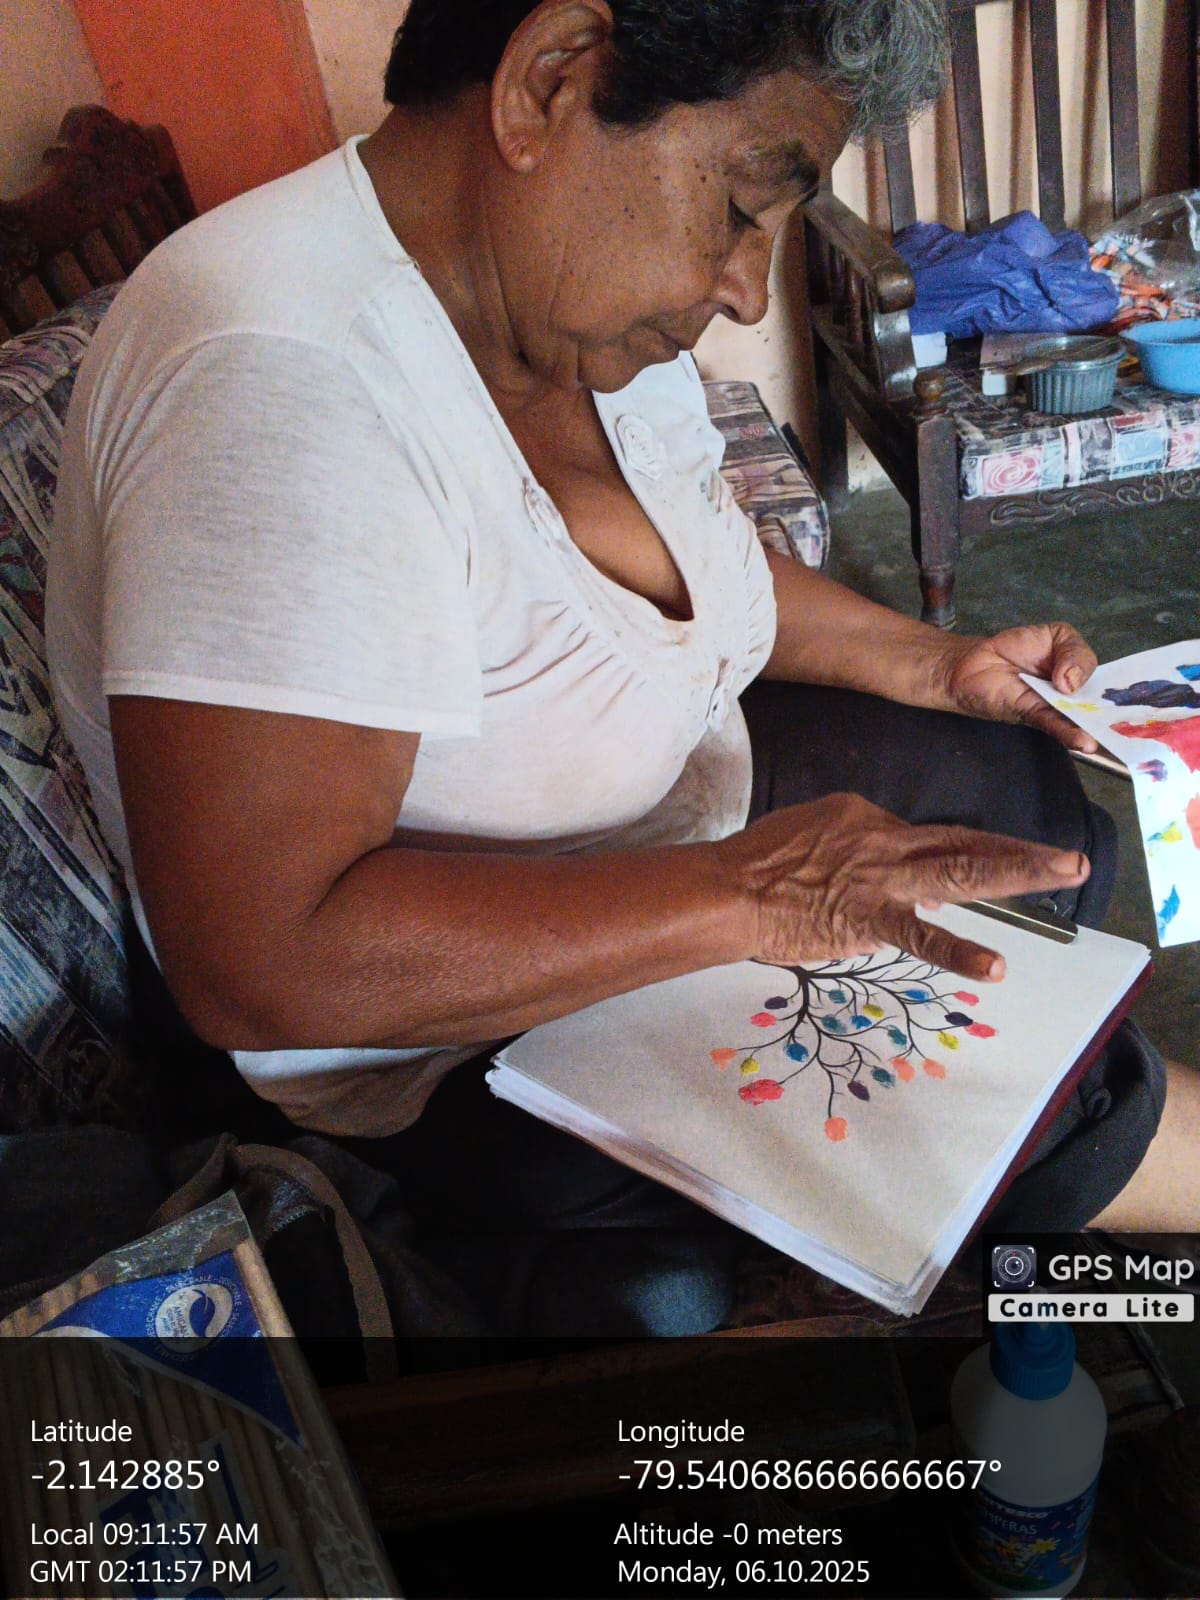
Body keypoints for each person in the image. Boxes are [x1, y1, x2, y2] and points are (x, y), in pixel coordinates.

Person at [46, 0, 1194, 1335]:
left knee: (1027, 805)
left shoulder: (564, 305)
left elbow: (701, 565)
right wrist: (746, 896)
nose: (746, 290)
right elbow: (260, 957)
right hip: (430, 1046)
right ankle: (1077, 1273)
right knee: (1010, 1115)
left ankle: (1042, 1186)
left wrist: (942, 666)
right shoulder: (276, 385)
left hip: (656, 835)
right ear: (551, 81)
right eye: (742, 206)